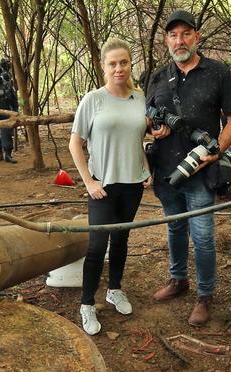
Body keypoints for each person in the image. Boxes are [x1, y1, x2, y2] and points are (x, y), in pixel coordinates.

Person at [146, 10, 231, 326]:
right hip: (166, 169)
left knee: (202, 236)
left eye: (185, 34)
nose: (179, 41)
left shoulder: (217, 72)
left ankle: (205, 295)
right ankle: (178, 280)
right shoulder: (158, 77)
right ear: (166, 40)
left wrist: (218, 152)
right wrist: (154, 128)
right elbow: (149, 116)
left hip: (201, 170)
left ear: (196, 37)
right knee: (174, 228)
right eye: (173, 35)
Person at [69, 37, 152, 335]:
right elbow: (75, 143)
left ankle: (114, 289)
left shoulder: (140, 99)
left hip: (132, 184)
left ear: (131, 64)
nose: (119, 69)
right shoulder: (93, 99)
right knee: (96, 246)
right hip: (102, 186)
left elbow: (137, 138)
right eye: (112, 64)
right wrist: (88, 181)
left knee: (121, 240)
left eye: (124, 63)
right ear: (103, 67)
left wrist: (146, 168)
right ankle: (87, 304)